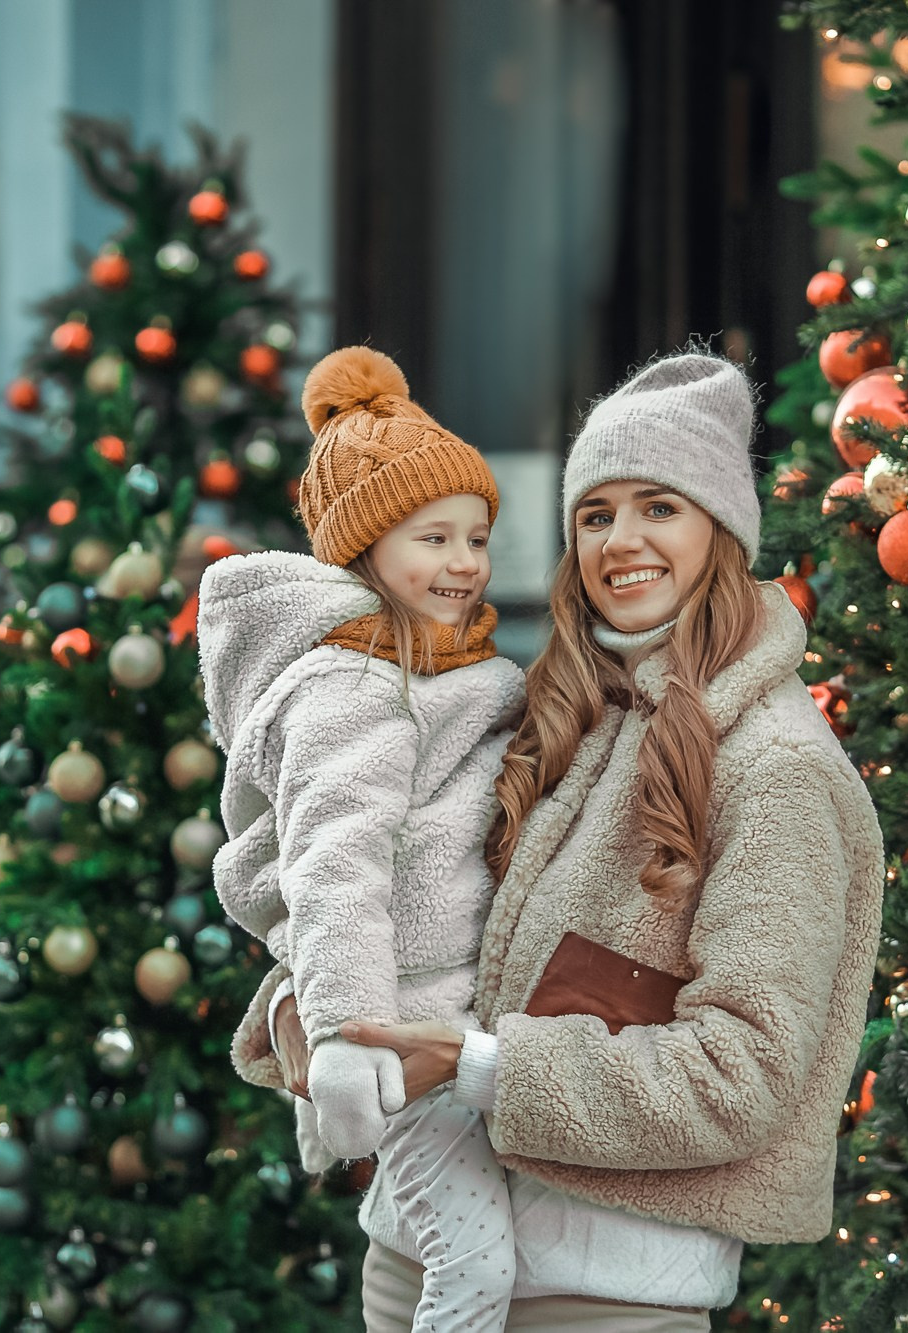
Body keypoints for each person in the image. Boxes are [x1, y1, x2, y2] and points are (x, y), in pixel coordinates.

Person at [273, 351, 886, 1329]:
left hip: (598, 1296)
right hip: (416, 1257)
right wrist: (309, 1013)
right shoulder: (560, 712)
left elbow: (743, 1076)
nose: (620, 541)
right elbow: (411, 905)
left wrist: (482, 1066)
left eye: (658, 507)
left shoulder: (777, 770)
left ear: (721, 528)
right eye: (595, 514)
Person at [200, 346, 526, 1333]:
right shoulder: (353, 686)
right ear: (366, 550)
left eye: (475, 536)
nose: (465, 562)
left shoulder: (431, 670)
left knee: (434, 1253)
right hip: (400, 1032)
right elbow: (334, 863)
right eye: (432, 537)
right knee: (474, 1273)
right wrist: (343, 1033)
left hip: (446, 1026)